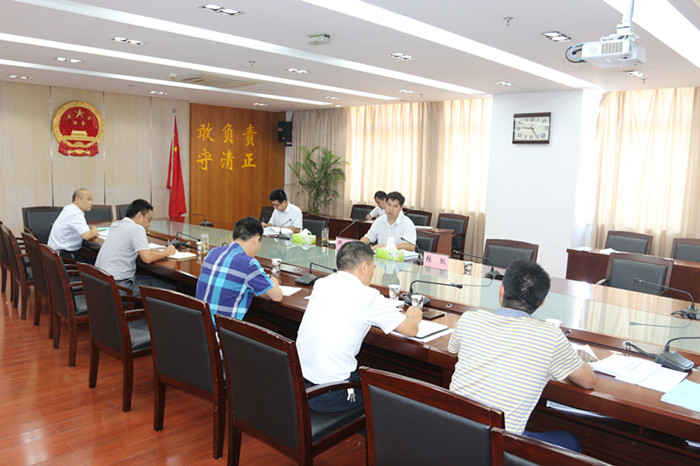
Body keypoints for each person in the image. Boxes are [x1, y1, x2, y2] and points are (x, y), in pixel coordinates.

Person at [448, 260, 596, 452]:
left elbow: (453, 352)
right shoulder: (549, 336)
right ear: (542, 302)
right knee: (570, 441)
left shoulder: (469, 319)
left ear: (501, 290)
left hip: (453, 434)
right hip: (498, 448)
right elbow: (588, 381)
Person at [296, 241, 422, 412]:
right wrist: (412, 316)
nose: (373, 273)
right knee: (387, 397)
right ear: (363, 267)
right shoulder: (367, 296)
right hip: (330, 393)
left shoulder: (322, 283)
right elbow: (411, 330)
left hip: (299, 384)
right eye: (373, 268)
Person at [196, 216, 283, 320]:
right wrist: (273, 280)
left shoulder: (212, 253)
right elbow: (277, 296)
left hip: (200, 325)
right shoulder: (248, 263)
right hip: (221, 328)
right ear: (256, 240)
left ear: (233, 238)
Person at [95, 199, 176, 296]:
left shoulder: (116, 224)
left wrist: (149, 250)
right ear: (139, 216)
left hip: (101, 283)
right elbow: (147, 258)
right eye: (149, 219)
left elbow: (125, 247)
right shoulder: (137, 228)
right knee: (171, 288)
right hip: (119, 286)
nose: (149, 224)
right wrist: (167, 252)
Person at [47, 188, 99, 263]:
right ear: (77, 199)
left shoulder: (69, 208)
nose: (91, 203)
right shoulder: (75, 214)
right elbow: (87, 236)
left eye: (91, 200)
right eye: (88, 199)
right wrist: (94, 229)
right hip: (63, 258)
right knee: (98, 263)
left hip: (53, 255)